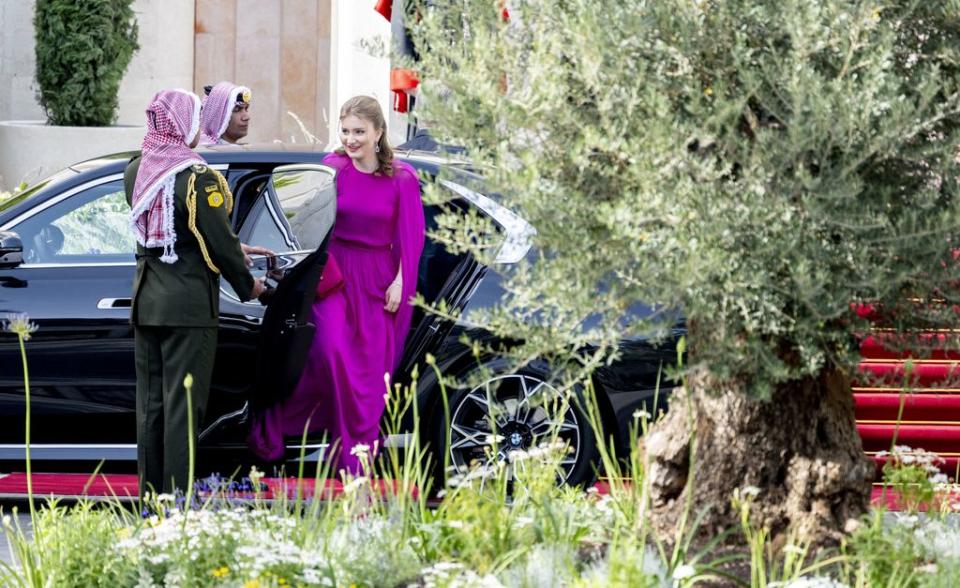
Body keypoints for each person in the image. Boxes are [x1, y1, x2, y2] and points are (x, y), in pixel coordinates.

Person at [249, 96, 425, 474]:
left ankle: (352, 462)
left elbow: (412, 238)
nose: (351, 139)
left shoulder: (402, 179)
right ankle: (282, 428)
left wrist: (400, 283)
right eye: (345, 131)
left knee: (366, 380)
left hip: (379, 282)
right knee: (330, 354)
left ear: (379, 132)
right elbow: (307, 223)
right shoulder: (332, 168)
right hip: (333, 279)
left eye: (359, 131)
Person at [126, 88, 265, 496]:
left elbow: (176, 230)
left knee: (150, 408)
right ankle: (177, 503)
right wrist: (251, 286)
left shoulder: (137, 169)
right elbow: (217, 243)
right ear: (184, 123)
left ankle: (151, 499)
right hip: (187, 307)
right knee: (182, 410)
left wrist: (231, 246)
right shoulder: (197, 175)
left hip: (147, 302)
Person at [199, 81, 252, 145]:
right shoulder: (205, 152)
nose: (246, 117)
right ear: (218, 116)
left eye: (246, 109)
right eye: (237, 110)